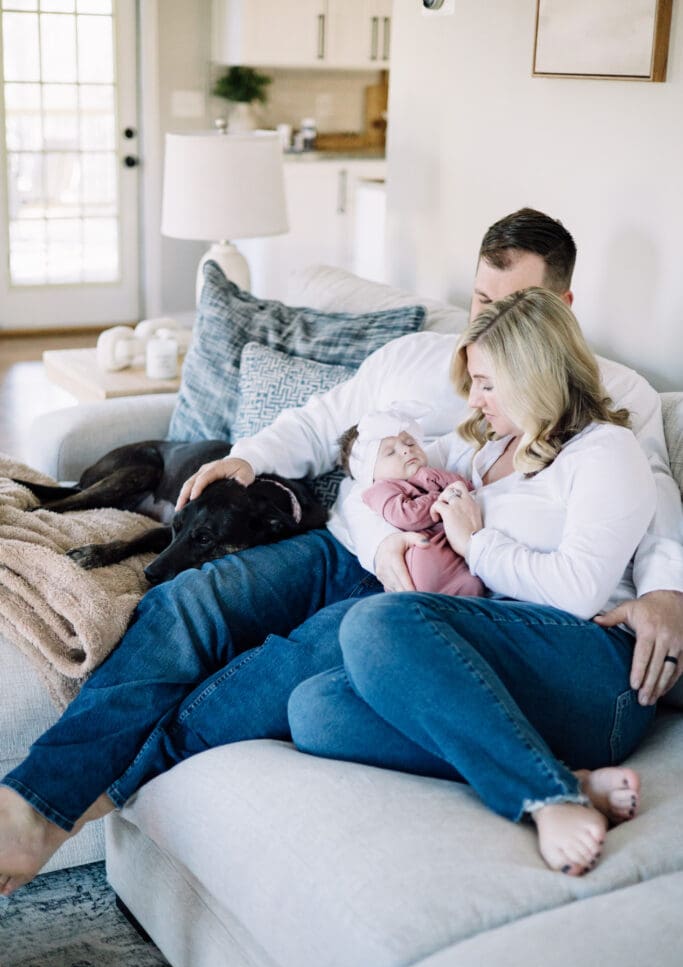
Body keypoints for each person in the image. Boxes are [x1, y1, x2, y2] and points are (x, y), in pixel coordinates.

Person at [1, 209, 681, 895]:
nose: (488, 327)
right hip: (356, 548)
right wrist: (260, 461)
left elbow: (642, 507)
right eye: (481, 302)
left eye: (511, 311)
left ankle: (63, 808)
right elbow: (336, 433)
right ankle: (34, 801)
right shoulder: (461, 407)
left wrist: (666, 590)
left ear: (552, 316)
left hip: (444, 600)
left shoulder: (611, 412)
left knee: (293, 671)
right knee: (204, 617)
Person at [289, 287, 658, 876]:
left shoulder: (606, 451)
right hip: (501, 664)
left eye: (487, 382)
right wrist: (390, 541)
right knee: (315, 709)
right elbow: (370, 483)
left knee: (382, 619)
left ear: (532, 374)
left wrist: (475, 544)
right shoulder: (483, 450)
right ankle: (564, 776)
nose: (474, 398)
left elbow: (578, 591)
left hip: (592, 669)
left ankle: (545, 797)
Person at [338, 403, 484, 597]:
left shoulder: (428, 470)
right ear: (369, 473)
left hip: (448, 546)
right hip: (419, 555)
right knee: (426, 557)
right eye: (390, 452)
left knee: (466, 580)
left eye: (410, 443)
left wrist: (437, 478)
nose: (406, 450)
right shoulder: (380, 490)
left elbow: (465, 487)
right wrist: (442, 497)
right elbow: (407, 515)